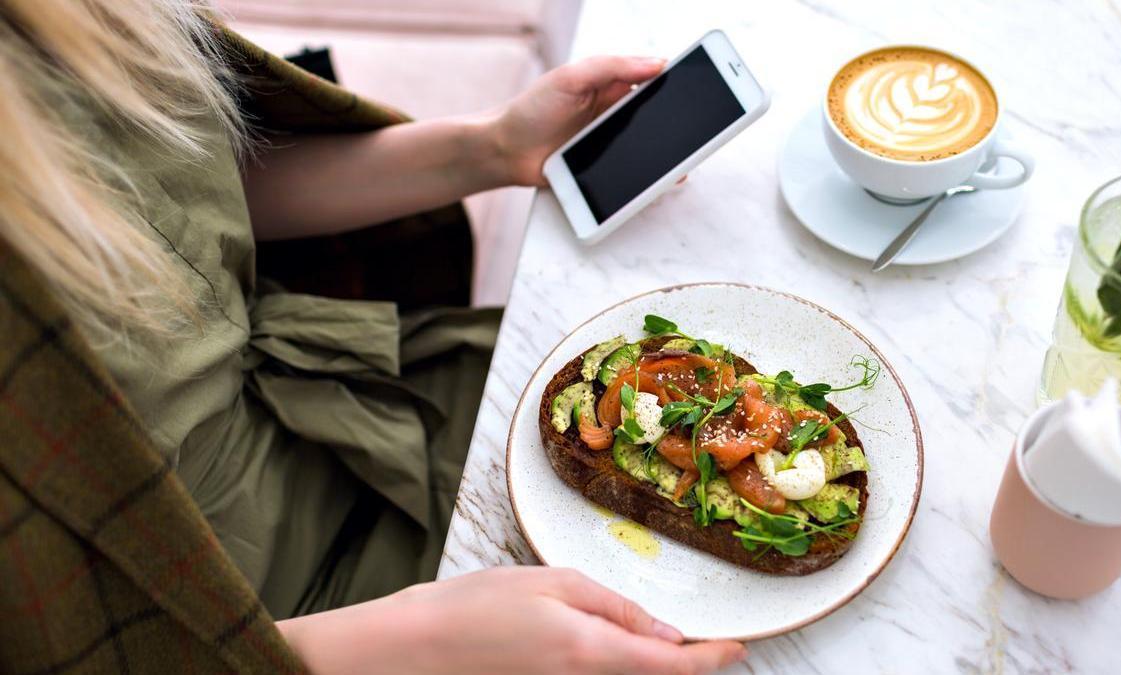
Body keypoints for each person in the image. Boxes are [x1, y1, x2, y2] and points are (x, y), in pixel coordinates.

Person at [0, 1, 745, 672]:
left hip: (353, 400)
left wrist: (490, 148)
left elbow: (197, 192)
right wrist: (420, 638)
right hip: (243, 618)